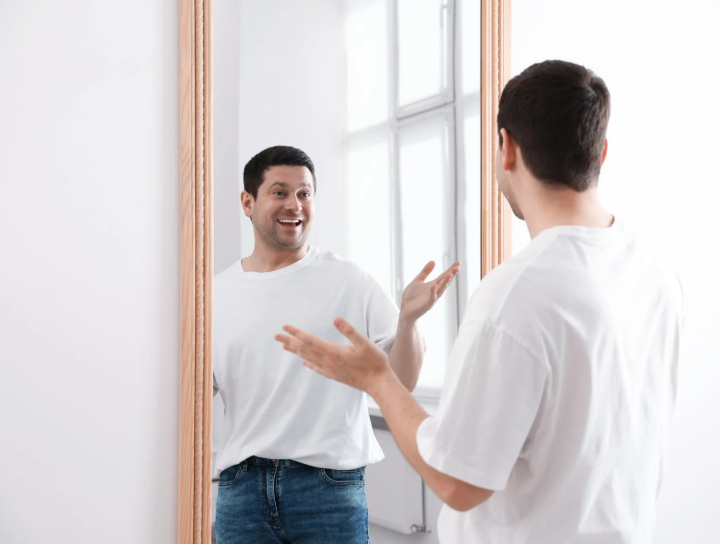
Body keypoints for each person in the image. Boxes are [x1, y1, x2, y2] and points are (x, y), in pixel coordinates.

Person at [276, 61, 684, 543]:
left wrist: (377, 379)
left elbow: (458, 481)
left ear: (506, 148)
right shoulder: (653, 272)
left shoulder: (519, 291)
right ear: (602, 151)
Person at [213, 145, 460, 544]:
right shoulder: (215, 294)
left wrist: (408, 320)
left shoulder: (350, 280)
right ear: (248, 201)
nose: (294, 204)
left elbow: (402, 379)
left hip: (327, 491)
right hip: (241, 489)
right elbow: (193, 395)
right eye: (279, 192)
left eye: (305, 193)